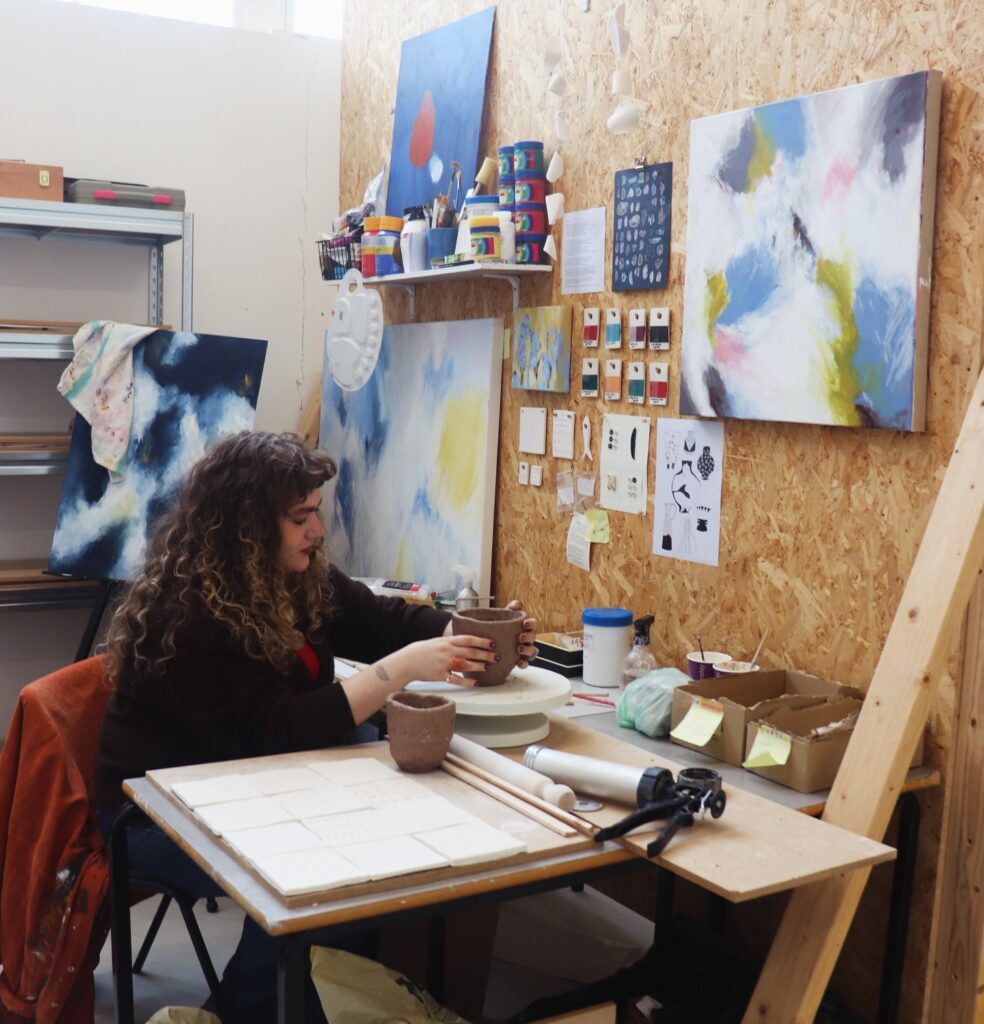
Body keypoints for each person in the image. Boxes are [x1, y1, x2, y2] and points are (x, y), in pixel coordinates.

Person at [95, 430, 537, 1024]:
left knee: (371, 860)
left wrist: (470, 633)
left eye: (316, 512)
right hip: (155, 808)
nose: (317, 530)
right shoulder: (189, 613)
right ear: (246, 525)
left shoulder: (293, 576)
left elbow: (383, 619)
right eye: (299, 516)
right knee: (304, 879)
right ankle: (243, 1012)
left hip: (249, 779)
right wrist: (397, 672)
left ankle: (328, 997)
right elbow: (279, 728)